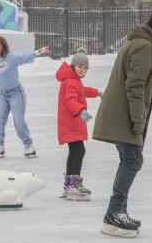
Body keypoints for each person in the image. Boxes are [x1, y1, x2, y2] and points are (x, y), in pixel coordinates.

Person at [93, 9, 152, 238]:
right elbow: (135, 86)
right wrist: (138, 119)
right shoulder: (144, 47)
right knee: (132, 159)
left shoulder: (138, 44)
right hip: (124, 115)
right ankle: (114, 212)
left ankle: (118, 211)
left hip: (120, 113)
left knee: (129, 159)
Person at [56, 51, 102, 201]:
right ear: (73, 66)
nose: (82, 69)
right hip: (72, 123)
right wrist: (81, 111)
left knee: (75, 151)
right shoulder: (70, 81)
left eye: (85, 67)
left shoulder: (73, 80)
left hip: (71, 123)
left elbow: (83, 91)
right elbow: (70, 101)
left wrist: (98, 93)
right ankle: (74, 185)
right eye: (80, 66)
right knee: (79, 151)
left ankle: (69, 185)